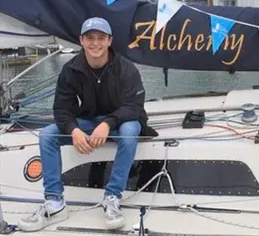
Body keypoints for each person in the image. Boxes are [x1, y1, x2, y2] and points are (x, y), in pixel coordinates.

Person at [18, 17, 158, 232]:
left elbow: (134, 106)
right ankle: (55, 202)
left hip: (118, 123)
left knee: (131, 130)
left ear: (110, 40)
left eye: (101, 38)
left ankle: (112, 197)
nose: (95, 43)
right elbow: (62, 109)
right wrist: (73, 130)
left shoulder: (126, 69)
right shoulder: (71, 70)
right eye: (90, 38)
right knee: (47, 135)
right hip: (86, 122)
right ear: (81, 40)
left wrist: (108, 124)